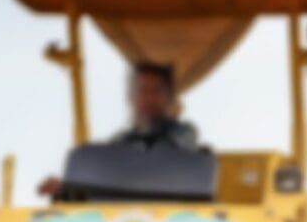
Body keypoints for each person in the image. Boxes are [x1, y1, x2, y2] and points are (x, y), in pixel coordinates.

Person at [37, 62, 199, 198]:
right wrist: (65, 189)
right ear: (131, 97)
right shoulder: (119, 141)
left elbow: (159, 164)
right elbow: (100, 185)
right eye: (142, 91)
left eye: (156, 91)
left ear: (169, 98)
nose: (149, 98)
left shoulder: (183, 133)